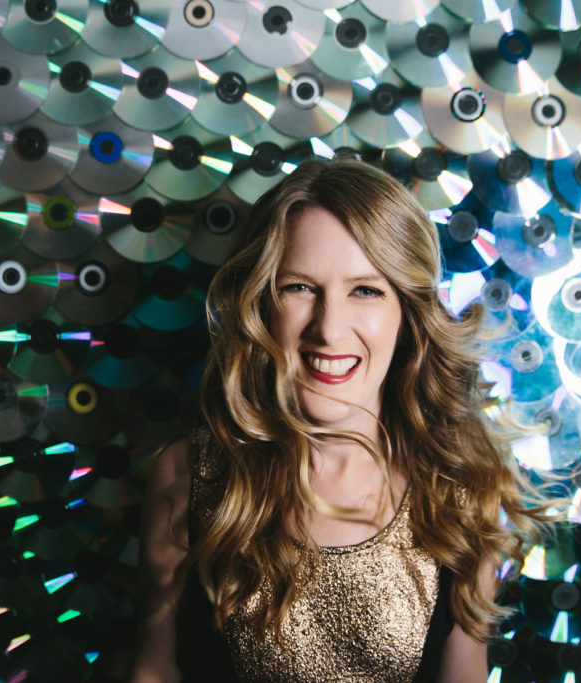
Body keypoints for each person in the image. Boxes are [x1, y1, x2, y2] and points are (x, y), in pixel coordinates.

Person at [130, 158, 553, 682]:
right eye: (299, 287)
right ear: (261, 303)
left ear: (408, 312)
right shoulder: (189, 476)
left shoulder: (461, 492)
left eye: (366, 290)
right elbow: (154, 671)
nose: (329, 329)